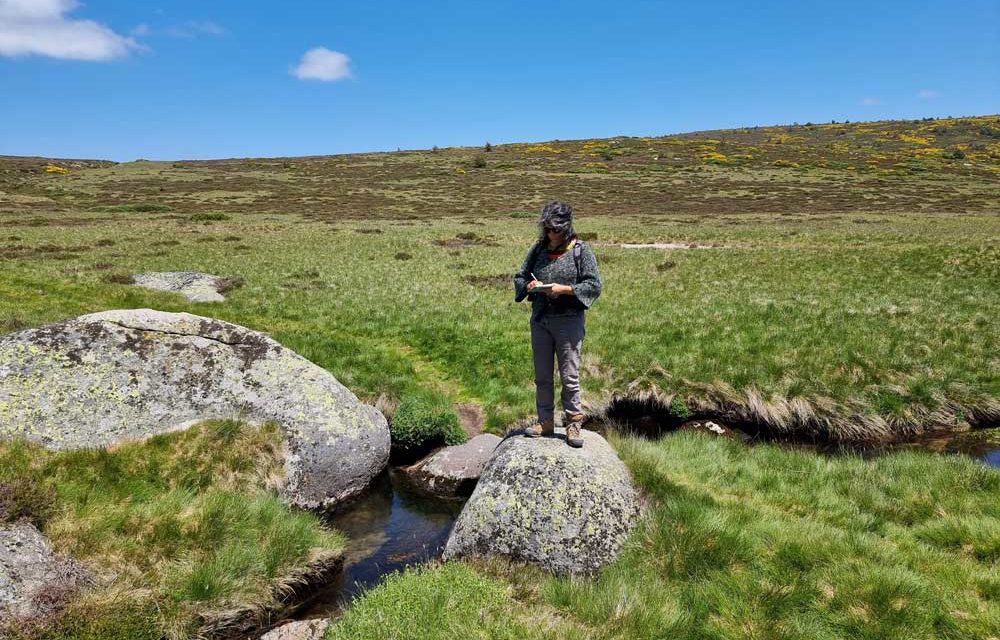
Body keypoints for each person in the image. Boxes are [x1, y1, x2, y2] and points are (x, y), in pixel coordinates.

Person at [513, 201, 602, 447]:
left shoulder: (581, 251)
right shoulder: (538, 249)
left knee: (569, 376)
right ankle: (545, 421)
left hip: (568, 322)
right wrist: (529, 286)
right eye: (548, 228)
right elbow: (520, 276)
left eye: (556, 229)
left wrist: (564, 290)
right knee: (542, 376)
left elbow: (594, 285)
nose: (551, 233)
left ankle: (573, 423)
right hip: (540, 320)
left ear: (566, 227)